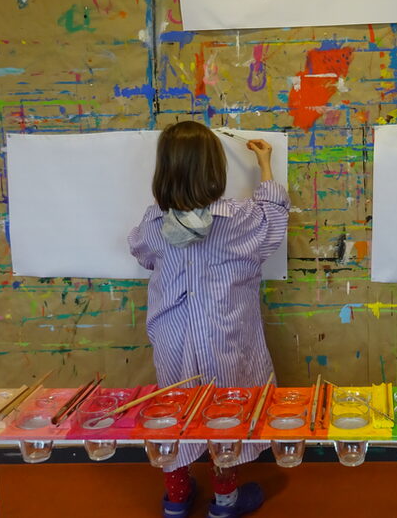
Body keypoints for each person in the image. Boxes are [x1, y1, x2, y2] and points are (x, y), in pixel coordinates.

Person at [129, 121, 289, 518]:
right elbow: (273, 221)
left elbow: (141, 251)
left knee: (175, 412)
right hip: (226, 333)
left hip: (173, 335)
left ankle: (177, 499)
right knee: (225, 414)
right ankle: (225, 501)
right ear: (216, 170)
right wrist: (265, 165)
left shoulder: (154, 223)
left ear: (163, 171)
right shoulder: (237, 219)